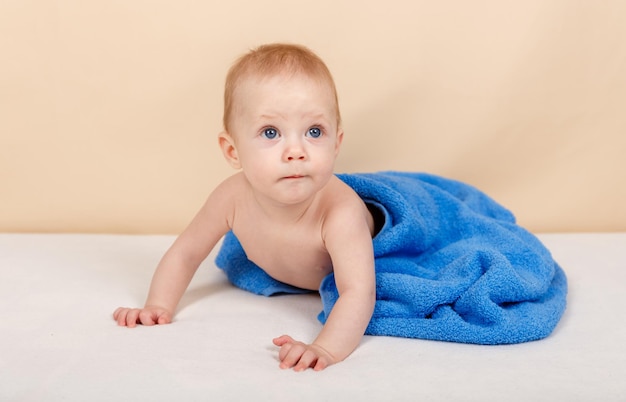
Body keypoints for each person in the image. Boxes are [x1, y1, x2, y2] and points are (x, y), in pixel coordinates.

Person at [113, 43, 377, 372]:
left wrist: (325, 348)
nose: (296, 151)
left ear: (336, 143)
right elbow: (186, 252)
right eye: (271, 132)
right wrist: (157, 306)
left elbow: (358, 291)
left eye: (314, 131)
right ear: (232, 151)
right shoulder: (231, 198)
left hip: (377, 247)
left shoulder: (339, 212)